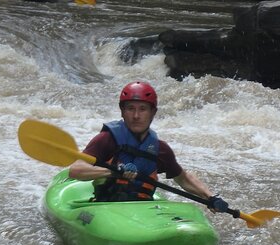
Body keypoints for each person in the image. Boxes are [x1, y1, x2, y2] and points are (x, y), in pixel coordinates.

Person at [68, 81, 229, 212]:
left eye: (143, 109)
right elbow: (76, 170)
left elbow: (184, 178)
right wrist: (113, 172)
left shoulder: (160, 149)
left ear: (153, 112)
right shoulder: (106, 139)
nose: (136, 116)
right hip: (107, 207)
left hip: (143, 210)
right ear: (122, 111)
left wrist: (210, 197)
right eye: (130, 108)